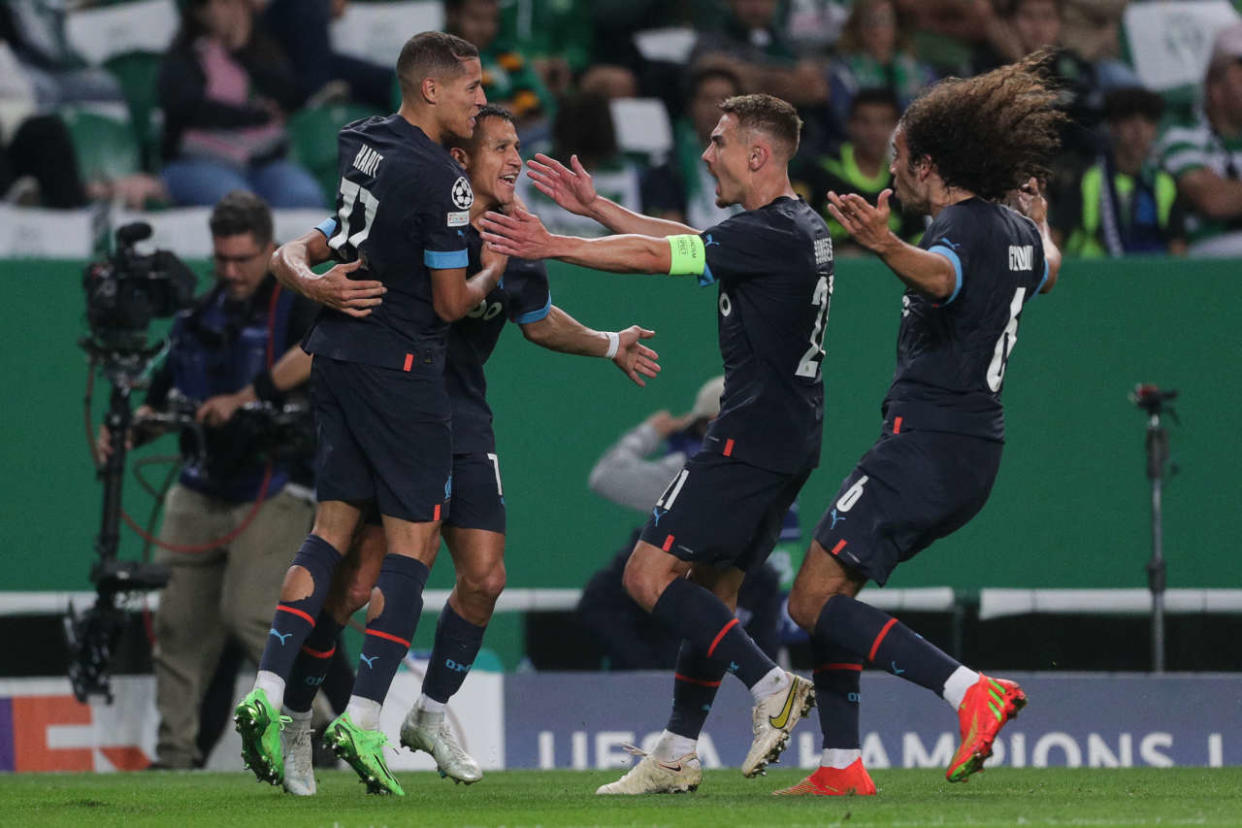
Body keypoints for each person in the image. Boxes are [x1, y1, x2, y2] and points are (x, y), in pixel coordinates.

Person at [268, 104, 660, 795]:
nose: (514, 159)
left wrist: (606, 343)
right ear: (459, 160)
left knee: (485, 577)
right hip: (390, 409)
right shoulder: (415, 215)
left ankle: (429, 711)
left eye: (516, 146)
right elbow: (330, 250)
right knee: (355, 585)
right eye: (500, 147)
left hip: (462, 419)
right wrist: (307, 276)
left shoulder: (517, 235)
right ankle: (299, 718)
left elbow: (536, 323)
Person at [482, 92, 831, 793]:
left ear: (758, 155)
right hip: (790, 434)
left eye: (720, 141)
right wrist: (597, 210)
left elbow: (655, 255)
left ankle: (770, 685)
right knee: (709, 594)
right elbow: (675, 236)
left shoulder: (772, 233)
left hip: (751, 434)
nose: (705, 154)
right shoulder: (792, 226)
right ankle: (675, 750)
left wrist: (554, 242)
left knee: (646, 576)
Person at [777, 53, 1063, 797]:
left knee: (809, 603)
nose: (891, 170)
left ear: (930, 164)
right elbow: (1050, 266)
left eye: (899, 157)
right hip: (969, 453)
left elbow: (943, 277)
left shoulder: (961, 228)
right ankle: (841, 765)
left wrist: (883, 247)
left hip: (925, 446)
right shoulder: (1015, 230)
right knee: (834, 594)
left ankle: (969, 691)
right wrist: (1040, 217)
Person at [232, 31, 503, 796]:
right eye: (471, 89)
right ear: (431, 90)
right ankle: (362, 714)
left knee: (330, 534)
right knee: (413, 546)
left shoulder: (362, 140)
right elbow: (450, 304)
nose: (479, 102)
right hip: (403, 368)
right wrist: (493, 271)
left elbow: (331, 240)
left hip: (338, 361)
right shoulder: (443, 182)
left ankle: (267, 691)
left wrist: (310, 284)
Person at [96, 191, 319, 770]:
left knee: (250, 612)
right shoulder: (197, 315)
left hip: (274, 484)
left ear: (269, 250)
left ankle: (320, 729)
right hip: (199, 485)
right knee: (176, 626)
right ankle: (173, 759)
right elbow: (162, 398)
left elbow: (323, 349)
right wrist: (130, 431)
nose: (230, 271)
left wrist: (247, 397)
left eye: (243, 259)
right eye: (222, 258)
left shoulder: (296, 303)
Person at [581, 378, 785, 669]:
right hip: (665, 669)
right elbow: (600, 607)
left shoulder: (690, 471)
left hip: (731, 577)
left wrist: (648, 433)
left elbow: (606, 476)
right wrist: (650, 670)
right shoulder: (695, 473)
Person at [158, 0, 324, 208]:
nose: (230, 11)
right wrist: (250, 116)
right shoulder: (185, 53)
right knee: (241, 209)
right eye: (221, 4)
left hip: (263, 163)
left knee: (305, 198)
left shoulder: (261, 48)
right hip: (198, 162)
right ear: (200, 12)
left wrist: (241, 51)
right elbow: (186, 107)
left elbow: (288, 95)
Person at [1057, 87, 1186, 257]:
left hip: (1151, 280)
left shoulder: (1164, 183)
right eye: (1129, 120)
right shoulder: (1088, 179)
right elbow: (1055, 238)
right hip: (1095, 277)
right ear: (1113, 127)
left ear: (1155, 131)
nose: (1139, 131)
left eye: (1147, 121)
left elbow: (1177, 248)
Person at [794, 88, 923, 254]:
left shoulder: (906, 180)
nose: (874, 131)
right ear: (850, 124)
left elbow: (919, 246)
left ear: (898, 128)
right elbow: (791, 234)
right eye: (864, 121)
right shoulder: (818, 171)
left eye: (884, 122)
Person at [1156, 22, 1242, 258]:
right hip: (1210, 258)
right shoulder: (1180, 134)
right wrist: (1224, 193)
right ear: (1215, 86)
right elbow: (1213, 200)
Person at [642, 67, 746, 230]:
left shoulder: (761, 161)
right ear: (691, 106)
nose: (716, 108)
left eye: (726, 100)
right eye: (707, 99)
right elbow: (668, 231)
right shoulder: (671, 165)